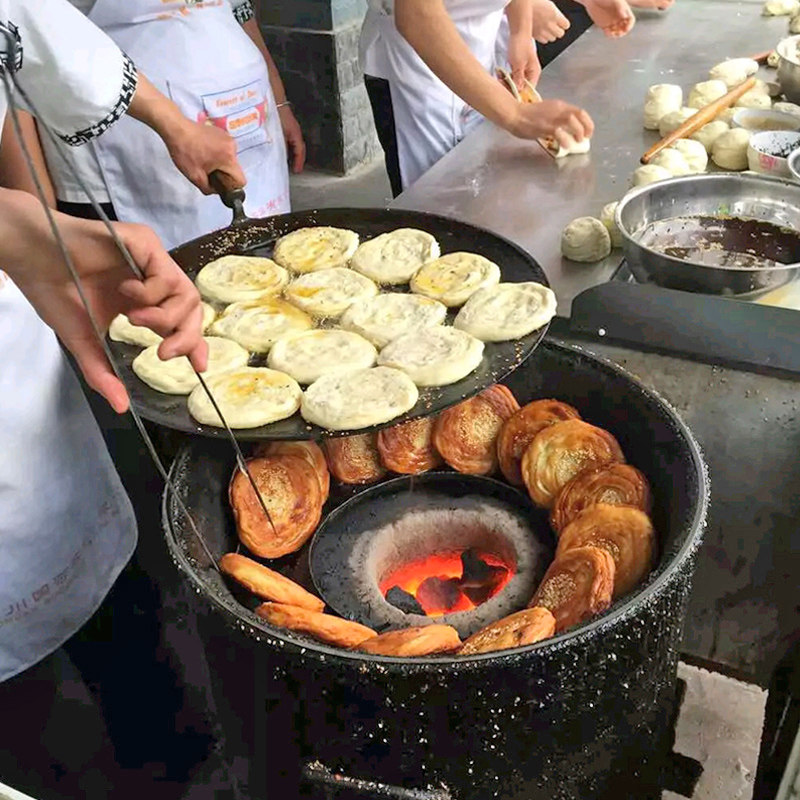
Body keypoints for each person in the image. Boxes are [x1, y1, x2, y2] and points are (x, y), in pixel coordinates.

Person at [0, 3, 237, 797]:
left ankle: (173, 759)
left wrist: (16, 228)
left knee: (109, 585)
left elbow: (28, 42)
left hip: (15, 345)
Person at [2, 0, 305, 251]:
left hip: (246, 115)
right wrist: (36, 220)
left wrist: (279, 100)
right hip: (120, 142)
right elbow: (17, 42)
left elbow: (239, 7)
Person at [360, 0, 599, 197]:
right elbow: (416, 14)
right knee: (439, 207)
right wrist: (515, 115)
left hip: (483, 42)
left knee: (489, 195)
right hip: (420, 64)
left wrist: (521, 31)